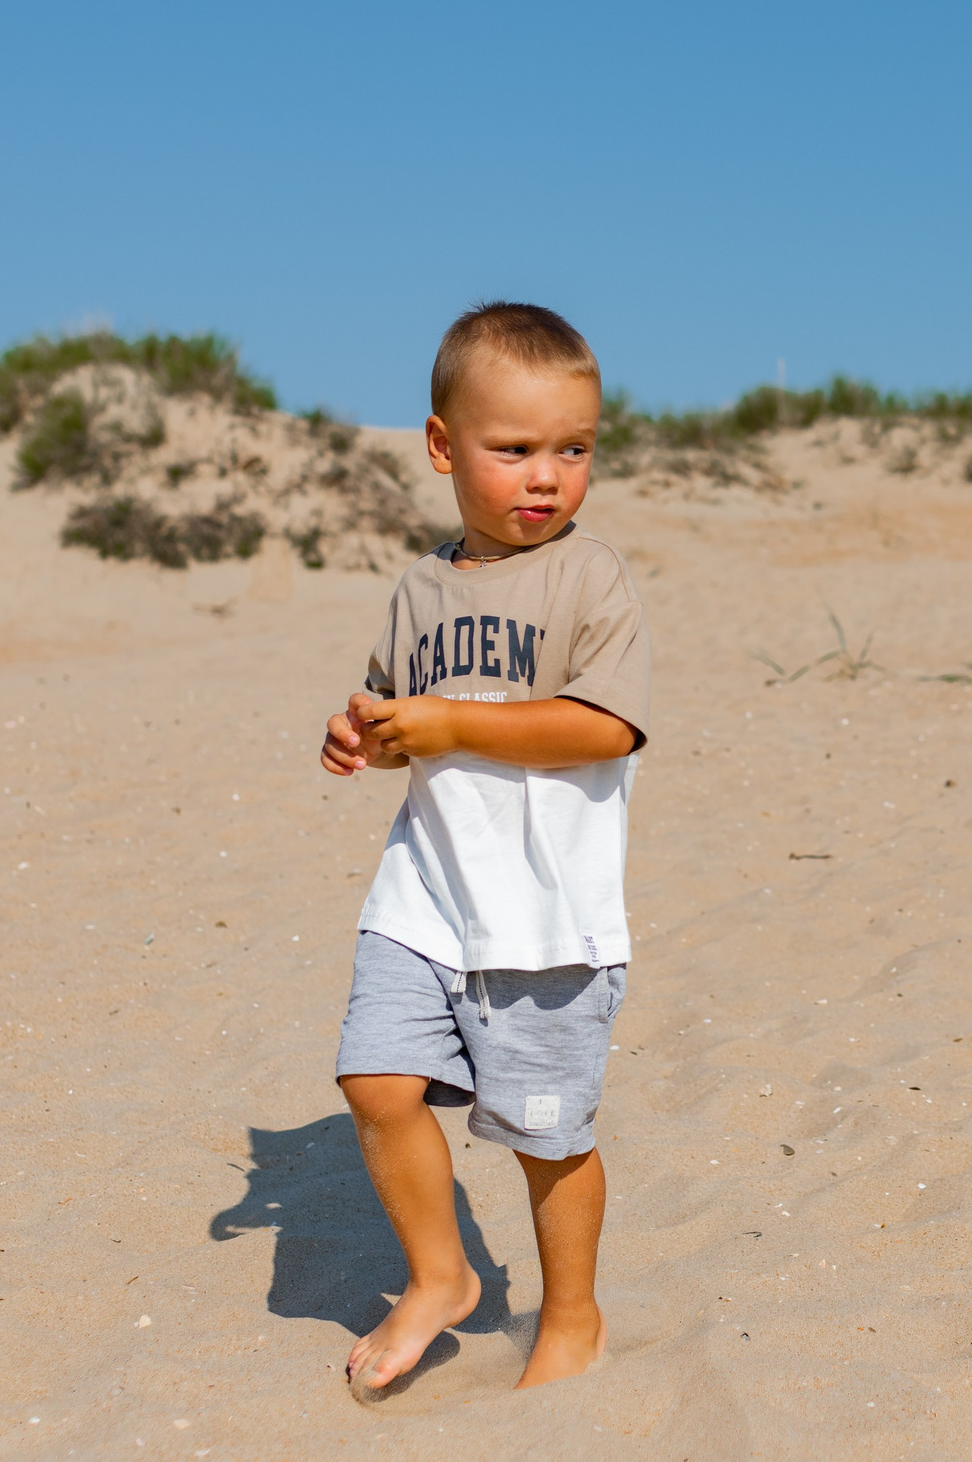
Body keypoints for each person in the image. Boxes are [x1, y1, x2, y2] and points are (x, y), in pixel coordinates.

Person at [318, 302, 654, 1388]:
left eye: (573, 449)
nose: (546, 476)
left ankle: (571, 1316)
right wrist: (360, 737)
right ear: (441, 447)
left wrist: (458, 722)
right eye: (513, 451)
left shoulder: (588, 579)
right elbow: (394, 714)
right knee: (375, 1080)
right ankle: (440, 1278)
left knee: (547, 1139)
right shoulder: (420, 589)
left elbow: (603, 727)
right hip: (425, 896)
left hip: (546, 919)